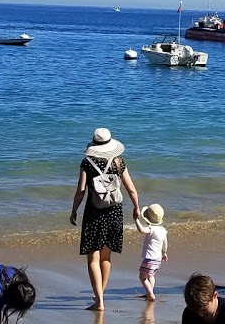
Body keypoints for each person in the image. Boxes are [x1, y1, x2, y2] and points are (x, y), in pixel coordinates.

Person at [70, 128, 142, 311]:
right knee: (106, 256)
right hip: (115, 211)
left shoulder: (87, 163)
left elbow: (81, 191)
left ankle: (99, 301)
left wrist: (74, 210)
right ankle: (100, 295)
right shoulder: (119, 162)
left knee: (92, 258)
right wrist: (136, 207)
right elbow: (131, 189)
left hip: (94, 211)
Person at [135, 204, 170, 301]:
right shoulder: (163, 230)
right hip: (157, 260)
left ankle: (150, 294)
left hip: (149, 259)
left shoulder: (151, 229)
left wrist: (136, 220)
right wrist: (164, 253)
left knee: (142, 277)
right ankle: (149, 292)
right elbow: (165, 242)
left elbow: (141, 230)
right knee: (151, 276)